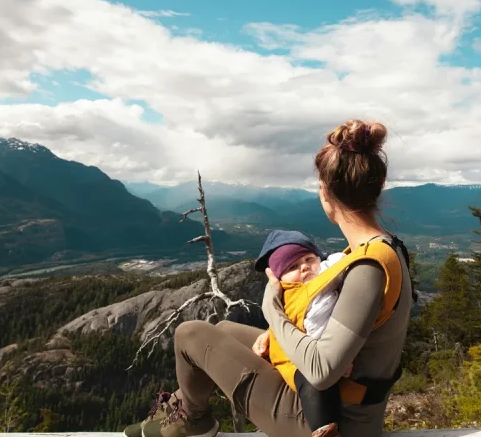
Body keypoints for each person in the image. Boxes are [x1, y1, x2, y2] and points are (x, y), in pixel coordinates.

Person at [123, 119, 413, 437]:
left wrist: (272, 309)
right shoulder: (382, 249)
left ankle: (192, 420)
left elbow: (321, 371)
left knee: (190, 334)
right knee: (224, 331)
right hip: (342, 405)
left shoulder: (368, 269)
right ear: (378, 187)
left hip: (328, 422)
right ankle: (187, 411)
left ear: (326, 193)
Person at [250, 230, 350, 437]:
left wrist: (341, 357)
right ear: (281, 278)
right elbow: (292, 315)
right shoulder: (290, 293)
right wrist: (269, 331)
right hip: (291, 354)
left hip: (307, 358)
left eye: (309, 259)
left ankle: (323, 428)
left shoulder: (324, 280)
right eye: (293, 266)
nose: (304, 266)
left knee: (313, 382)